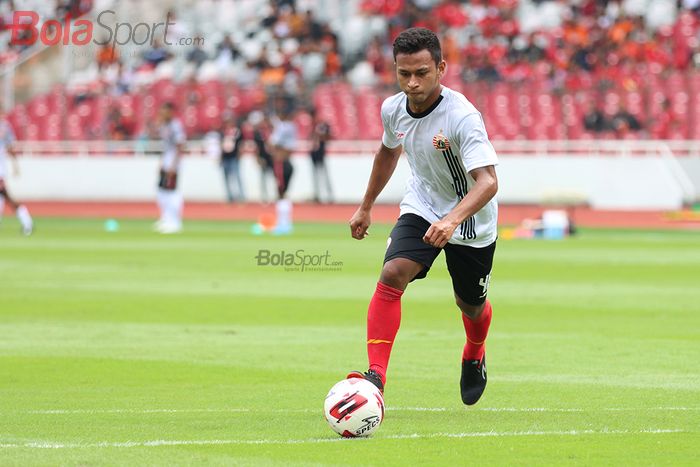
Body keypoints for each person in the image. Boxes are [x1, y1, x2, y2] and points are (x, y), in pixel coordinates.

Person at [347, 28, 499, 406]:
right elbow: (387, 152)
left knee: (471, 305)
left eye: (421, 73)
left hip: (470, 221)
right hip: (422, 205)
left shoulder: (462, 117)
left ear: (441, 68)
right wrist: (367, 205)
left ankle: (474, 351)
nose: (412, 83)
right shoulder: (393, 108)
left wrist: (451, 221)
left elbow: (488, 182)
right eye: (404, 74)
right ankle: (376, 376)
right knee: (393, 272)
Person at [154, 102, 186, 234]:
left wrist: (174, 164)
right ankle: (166, 218)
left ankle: (175, 221)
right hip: (167, 159)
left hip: (173, 161)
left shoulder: (175, 125)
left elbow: (180, 146)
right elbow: (164, 145)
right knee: (161, 190)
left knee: (172, 191)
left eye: (165, 111)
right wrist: (162, 162)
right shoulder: (164, 126)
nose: (162, 114)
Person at [0, 112, 33, 236]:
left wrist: (15, 165)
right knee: (4, 198)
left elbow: (10, 148)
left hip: (0, 173)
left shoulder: (4, 127)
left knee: (7, 198)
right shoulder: (4, 128)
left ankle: (27, 222)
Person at [268, 107, 298, 234]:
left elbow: (273, 143)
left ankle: (283, 224)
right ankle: (285, 222)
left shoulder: (282, 128)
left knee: (280, 192)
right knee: (283, 192)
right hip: (289, 163)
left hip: (281, 163)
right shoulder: (292, 127)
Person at [308, 109, 334, 203]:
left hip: (321, 153)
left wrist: (319, 135)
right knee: (316, 176)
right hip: (314, 153)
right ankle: (318, 195)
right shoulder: (314, 126)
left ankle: (329, 195)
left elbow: (328, 137)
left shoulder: (322, 126)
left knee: (324, 175)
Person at [220, 116, 245, 203]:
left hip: (233, 157)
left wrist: (239, 154)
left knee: (237, 177)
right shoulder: (223, 132)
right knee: (226, 178)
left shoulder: (236, 131)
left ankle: (241, 196)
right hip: (225, 158)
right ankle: (230, 196)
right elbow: (221, 145)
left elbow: (240, 143)